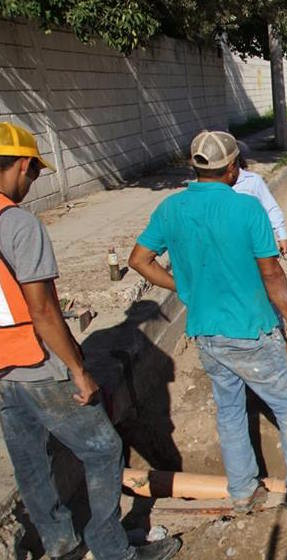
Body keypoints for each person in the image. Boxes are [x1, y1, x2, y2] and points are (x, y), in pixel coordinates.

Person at [0, 122, 181, 560]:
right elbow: (42, 309)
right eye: (35, 173)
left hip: (2, 370)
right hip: (36, 364)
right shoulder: (19, 225)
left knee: (30, 461)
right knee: (103, 449)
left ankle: (61, 544)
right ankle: (112, 550)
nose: (32, 182)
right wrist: (78, 371)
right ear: (23, 165)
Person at [129, 130, 287, 511]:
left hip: (207, 332)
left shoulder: (171, 209)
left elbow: (138, 261)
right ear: (232, 168)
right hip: (253, 329)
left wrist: (184, 287)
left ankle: (242, 491)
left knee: (230, 409)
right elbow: (272, 275)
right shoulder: (246, 209)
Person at [234, 141, 287, 256]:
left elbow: (270, 207)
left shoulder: (252, 180)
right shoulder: (210, 187)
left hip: (252, 243)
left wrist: (282, 236)